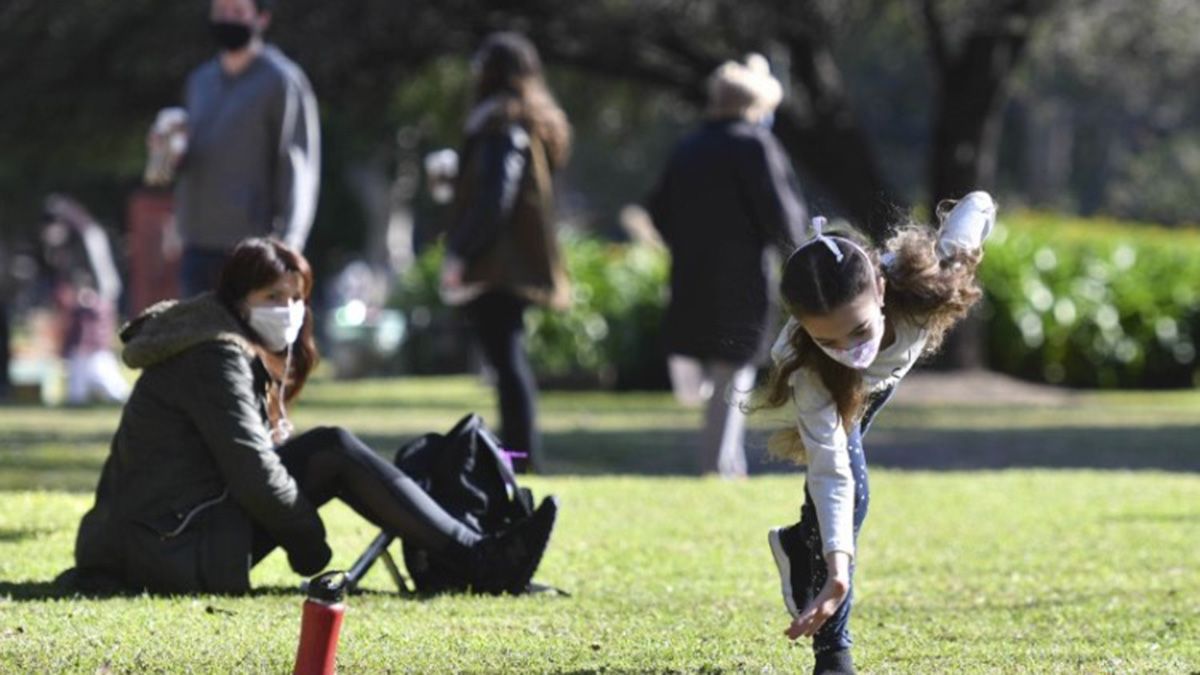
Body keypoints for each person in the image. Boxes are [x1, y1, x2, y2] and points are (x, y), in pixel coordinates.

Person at [68, 238, 557, 595]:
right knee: (332, 450)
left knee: (330, 450)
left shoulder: (214, 341)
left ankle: (470, 553)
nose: (288, 310)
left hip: (161, 536)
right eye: (271, 298)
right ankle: (477, 557)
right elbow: (253, 472)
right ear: (238, 301)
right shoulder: (214, 355)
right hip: (164, 548)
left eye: (295, 298)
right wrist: (309, 546)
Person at [757, 192, 997, 674]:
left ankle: (799, 545)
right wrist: (838, 571)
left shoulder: (926, 280)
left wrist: (971, 237)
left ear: (882, 291)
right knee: (852, 498)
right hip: (842, 395)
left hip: (877, 387)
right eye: (828, 339)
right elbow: (830, 472)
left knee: (839, 510)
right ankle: (834, 656)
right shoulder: (811, 368)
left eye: (859, 331)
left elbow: (978, 203)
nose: (848, 350)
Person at [646, 54, 807, 478]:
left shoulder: (688, 146)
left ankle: (728, 464)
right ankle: (718, 466)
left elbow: (659, 209)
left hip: (690, 274)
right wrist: (800, 263)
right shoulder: (755, 145)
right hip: (743, 279)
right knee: (732, 373)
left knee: (708, 367)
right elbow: (783, 218)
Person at [439, 32, 572, 474]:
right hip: (514, 262)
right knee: (507, 360)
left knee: (507, 360)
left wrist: (461, 252)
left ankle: (521, 457)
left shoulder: (501, 126)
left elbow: (496, 198)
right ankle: (518, 455)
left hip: (498, 264)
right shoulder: (530, 122)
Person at [152, 0, 320, 297]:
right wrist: (167, 152)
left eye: (238, 12)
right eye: (221, 11)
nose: (227, 19)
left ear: (262, 18)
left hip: (254, 251)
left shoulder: (281, 80)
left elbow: (298, 166)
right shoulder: (200, 81)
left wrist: (291, 243)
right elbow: (190, 159)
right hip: (197, 246)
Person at [41, 195, 130, 405]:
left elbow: (99, 274)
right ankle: (82, 391)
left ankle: (94, 391)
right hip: (85, 301)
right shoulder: (73, 240)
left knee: (92, 347)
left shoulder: (87, 235)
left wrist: (89, 295)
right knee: (82, 349)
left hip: (96, 300)